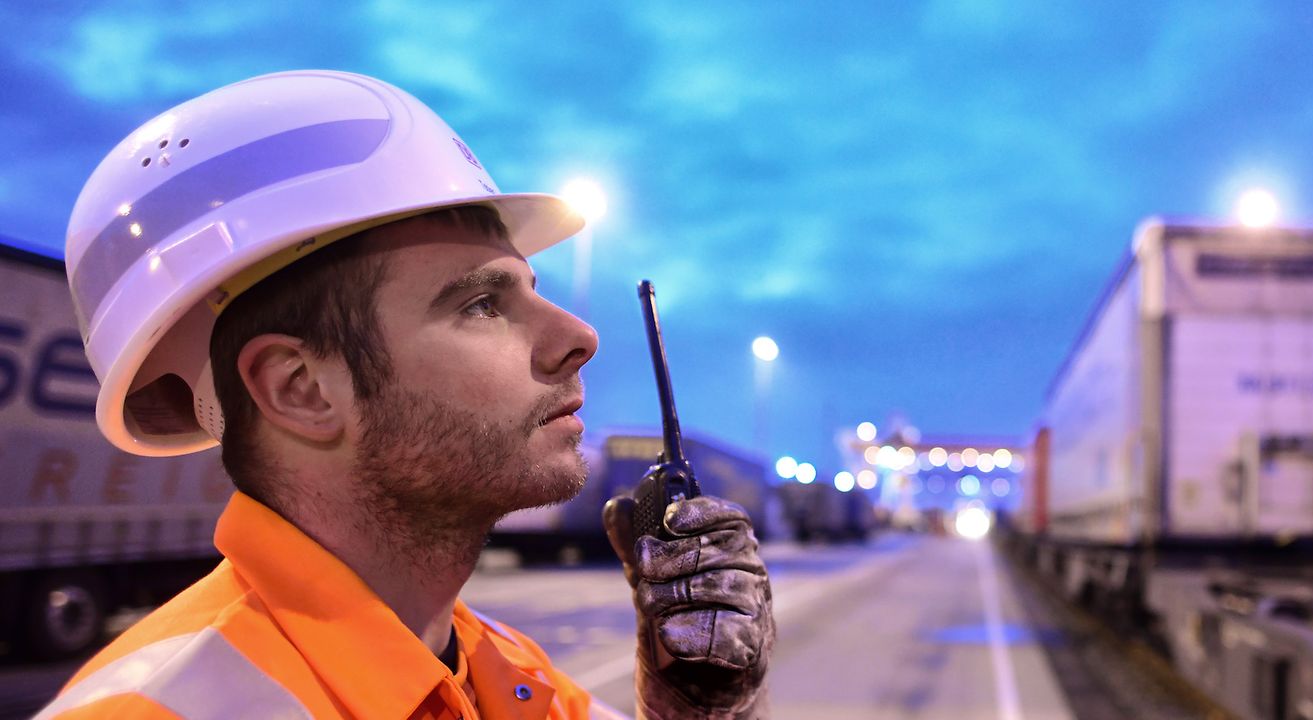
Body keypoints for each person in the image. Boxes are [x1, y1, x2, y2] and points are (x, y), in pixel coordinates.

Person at [37, 70, 772, 719]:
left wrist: (700, 712)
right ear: (302, 390)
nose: (579, 335)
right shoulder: (150, 711)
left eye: (531, 290)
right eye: (481, 303)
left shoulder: (502, 675)